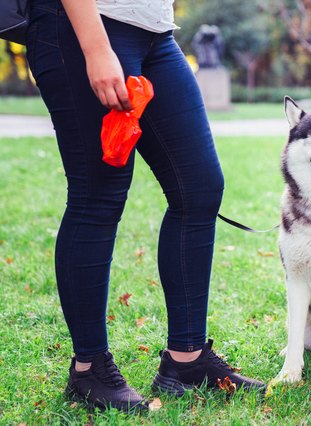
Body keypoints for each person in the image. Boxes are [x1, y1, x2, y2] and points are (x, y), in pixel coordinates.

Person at [26, 0, 265, 412]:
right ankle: (88, 369)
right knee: (97, 196)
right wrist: (96, 48)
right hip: (85, 27)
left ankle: (186, 361)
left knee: (200, 188)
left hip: (155, 33)